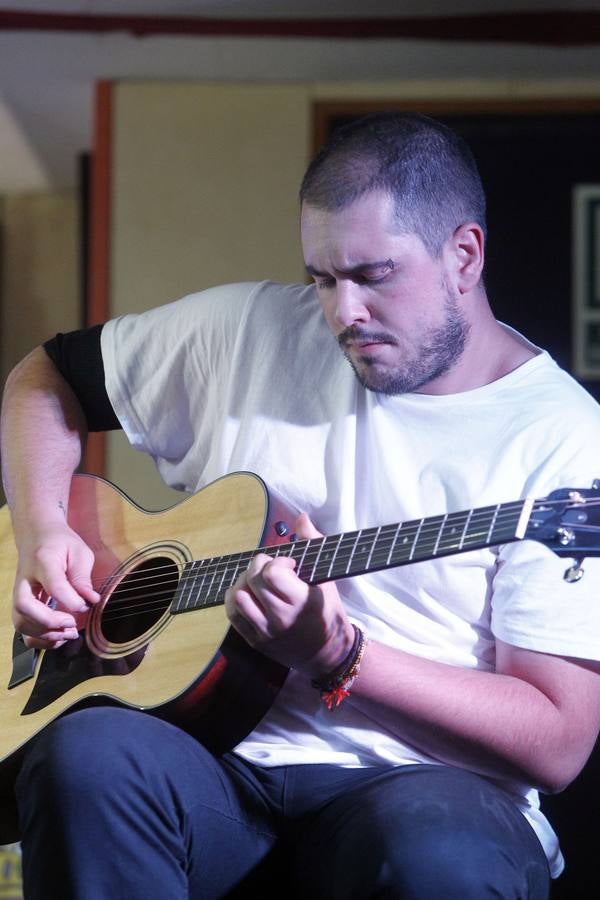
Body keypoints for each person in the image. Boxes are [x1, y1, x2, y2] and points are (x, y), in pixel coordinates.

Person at [2, 112, 600, 900]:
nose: (340, 312)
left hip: (423, 785)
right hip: (213, 762)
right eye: (322, 277)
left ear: (465, 254)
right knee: (86, 759)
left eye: (373, 275)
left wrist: (338, 654)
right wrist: (44, 527)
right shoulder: (246, 330)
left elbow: (554, 740)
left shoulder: (563, 441)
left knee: (439, 859)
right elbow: (43, 379)